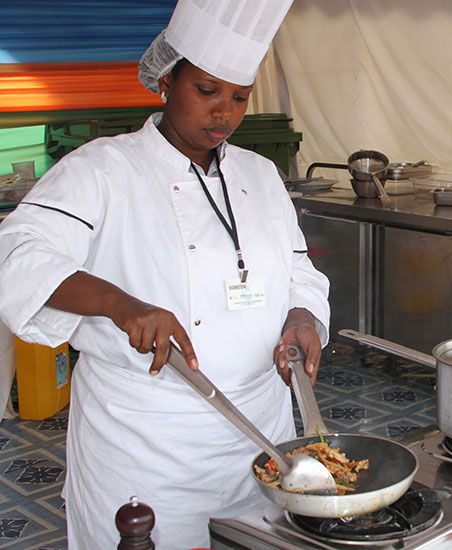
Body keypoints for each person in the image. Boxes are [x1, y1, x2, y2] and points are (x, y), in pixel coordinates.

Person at [0, 1, 329, 547]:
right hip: (148, 448)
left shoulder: (260, 173)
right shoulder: (103, 168)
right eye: (206, 90)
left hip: (263, 438)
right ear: (165, 80)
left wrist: (301, 315)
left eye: (239, 97)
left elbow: (297, 267)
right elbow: (17, 253)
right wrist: (119, 304)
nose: (223, 112)